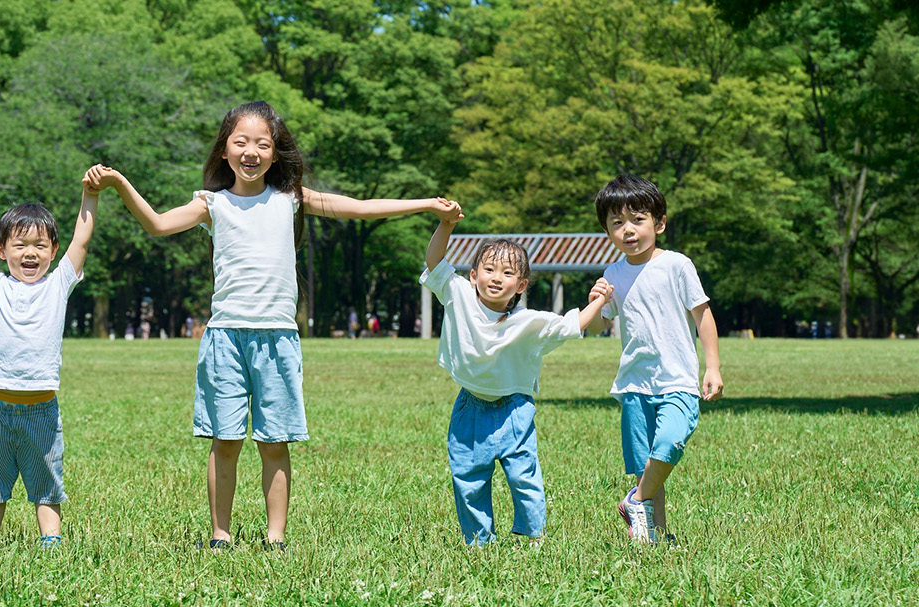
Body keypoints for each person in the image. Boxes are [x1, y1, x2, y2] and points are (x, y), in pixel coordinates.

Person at [86, 100, 460, 551]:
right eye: (240, 141)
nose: (251, 151)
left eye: (263, 143)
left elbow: (359, 208)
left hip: (278, 339)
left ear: (275, 154)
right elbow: (158, 225)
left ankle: (275, 539)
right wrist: (120, 183)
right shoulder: (212, 204)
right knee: (224, 442)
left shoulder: (290, 199)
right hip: (225, 338)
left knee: (274, 442)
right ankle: (219, 536)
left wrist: (427, 206)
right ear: (224, 151)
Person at [422, 215, 614, 545]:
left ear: (521, 285)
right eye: (489, 270)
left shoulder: (530, 322)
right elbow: (434, 260)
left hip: (514, 409)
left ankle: (532, 537)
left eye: (508, 273)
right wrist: (447, 225)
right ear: (473, 275)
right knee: (468, 477)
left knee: (524, 477)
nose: (497, 278)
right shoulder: (457, 295)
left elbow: (573, 324)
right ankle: (479, 542)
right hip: (469, 405)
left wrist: (599, 298)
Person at [0, 164, 100, 549]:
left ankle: (51, 543)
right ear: (1, 250)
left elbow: (81, 240)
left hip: (42, 410)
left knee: (47, 484)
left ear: (53, 251)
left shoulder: (60, 283)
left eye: (40, 246)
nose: (30, 253)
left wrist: (91, 194)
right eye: (19, 245)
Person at [584, 175, 722, 544]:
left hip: (677, 379)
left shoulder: (677, 265)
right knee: (648, 461)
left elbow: (702, 315)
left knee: (671, 442)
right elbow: (598, 326)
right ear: (607, 231)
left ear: (658, 223)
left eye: (638, 220)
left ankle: (636, 500)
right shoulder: (612, 274)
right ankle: (657, 535)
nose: (628, 230)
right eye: (617, 223)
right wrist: (596, 300)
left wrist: (713, 366)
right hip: (634, 382)